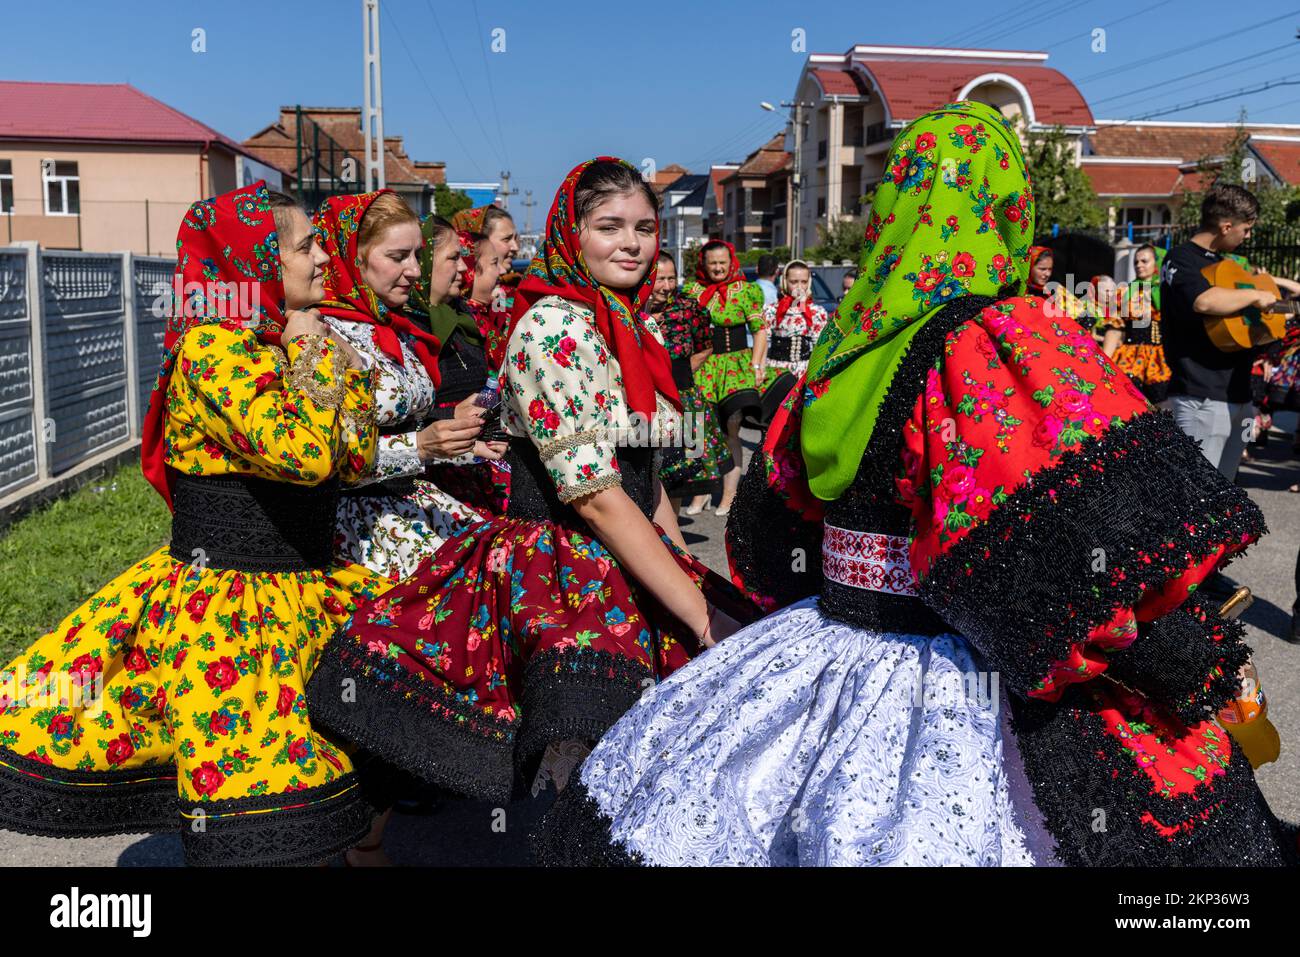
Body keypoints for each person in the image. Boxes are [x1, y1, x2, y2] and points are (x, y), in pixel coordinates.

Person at [533, 102, 1293, 868]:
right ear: (1002, 207)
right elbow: (1086, 544)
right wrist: (1185, 652)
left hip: (834, 648)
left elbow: (768, 536)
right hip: (956, 677)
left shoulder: (842, 343)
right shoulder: (996, 338)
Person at [305, 158, 756, 805]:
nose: (631, 241)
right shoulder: (553, 326)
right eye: (609, 226)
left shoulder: (624, 323)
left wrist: (678, 567)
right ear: (573, 234)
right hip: (564, 564)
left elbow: (640, 470)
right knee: (582, 758)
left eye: (645, 227)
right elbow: (595, 496)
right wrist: (700, 615)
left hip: (616, 549)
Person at [0, 183, 394, 866]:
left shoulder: (287, 342)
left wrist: (317, 352)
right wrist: (318, 355)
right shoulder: (215, 351)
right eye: (307, 245)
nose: (327, 258)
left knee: (334, 781)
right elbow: (302, 454)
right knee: (256, 809)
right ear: (258, 260)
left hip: (308, 590)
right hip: (232, 608)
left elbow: (353, 457)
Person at [314, 190, 490, 583]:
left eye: (417, 256)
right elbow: (321, 459)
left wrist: (456, 438)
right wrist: (421, 446)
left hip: (413, 501)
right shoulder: (319, 335)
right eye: (397, 257)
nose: (414, 270)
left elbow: (411, 421)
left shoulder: (387, 325)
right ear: (352, 257)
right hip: (357, 528)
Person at [1160, 184, 1275, 485]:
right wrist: (1254, 297)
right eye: (1246, 229)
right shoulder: (1180, 259)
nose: (1247, 236)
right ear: (1226, 226)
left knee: (1224, 496)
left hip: (1238, 395)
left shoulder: (1229, 266)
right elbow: (1204, 301)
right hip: (1201, 394)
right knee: (1196, 496)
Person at [410, 215, 512, 516]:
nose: (464, 268)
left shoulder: (462, 318)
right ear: (425, 262)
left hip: (481, 463)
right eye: (454, 257)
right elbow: (400, 422)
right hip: (436, 482)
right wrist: (450, 415)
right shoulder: (404, 329)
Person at [683, 240, 770, 516]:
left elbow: (760, 331)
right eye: (713, 263)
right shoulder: (691, 291)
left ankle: (729, 494)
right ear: (704, 264)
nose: (718, 268)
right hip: (704, 365)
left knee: (732, 427)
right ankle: (701, 491)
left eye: (723, 262)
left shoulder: (747, 291)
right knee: (698, 429)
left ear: (730, 262)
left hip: (735, 365)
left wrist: (757, 365)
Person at [646, 250, 733, 512]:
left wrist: (678, 375)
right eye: (660, 279)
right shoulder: (632, 310)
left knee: (682, 474)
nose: (667, 286)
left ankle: (672, 537)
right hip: (646, 399)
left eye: (672, 279)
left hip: (684, 396)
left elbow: (706, 347)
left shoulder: (689, 308)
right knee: (646, 470)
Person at [751, 258, 829, 427]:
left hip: (804, 371)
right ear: (784, 281)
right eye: (794, 282)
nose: (799, 287)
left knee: (799, 425)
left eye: (803, 281)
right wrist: (760, 370)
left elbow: (819, 348)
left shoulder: (817, 312)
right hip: (777, 371)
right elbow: (765, 342)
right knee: (772, 423)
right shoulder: (771, 310)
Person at [1113, 244, 1171, 403]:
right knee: (1129, 404)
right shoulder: (1125, 293)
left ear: (1157, 263)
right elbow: (1115, 327)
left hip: (1161, 358)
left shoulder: (1169, 292)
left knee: (1162, 408)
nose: (1139, 265)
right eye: (1136, 262)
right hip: (1130, 357)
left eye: (1144, 261)